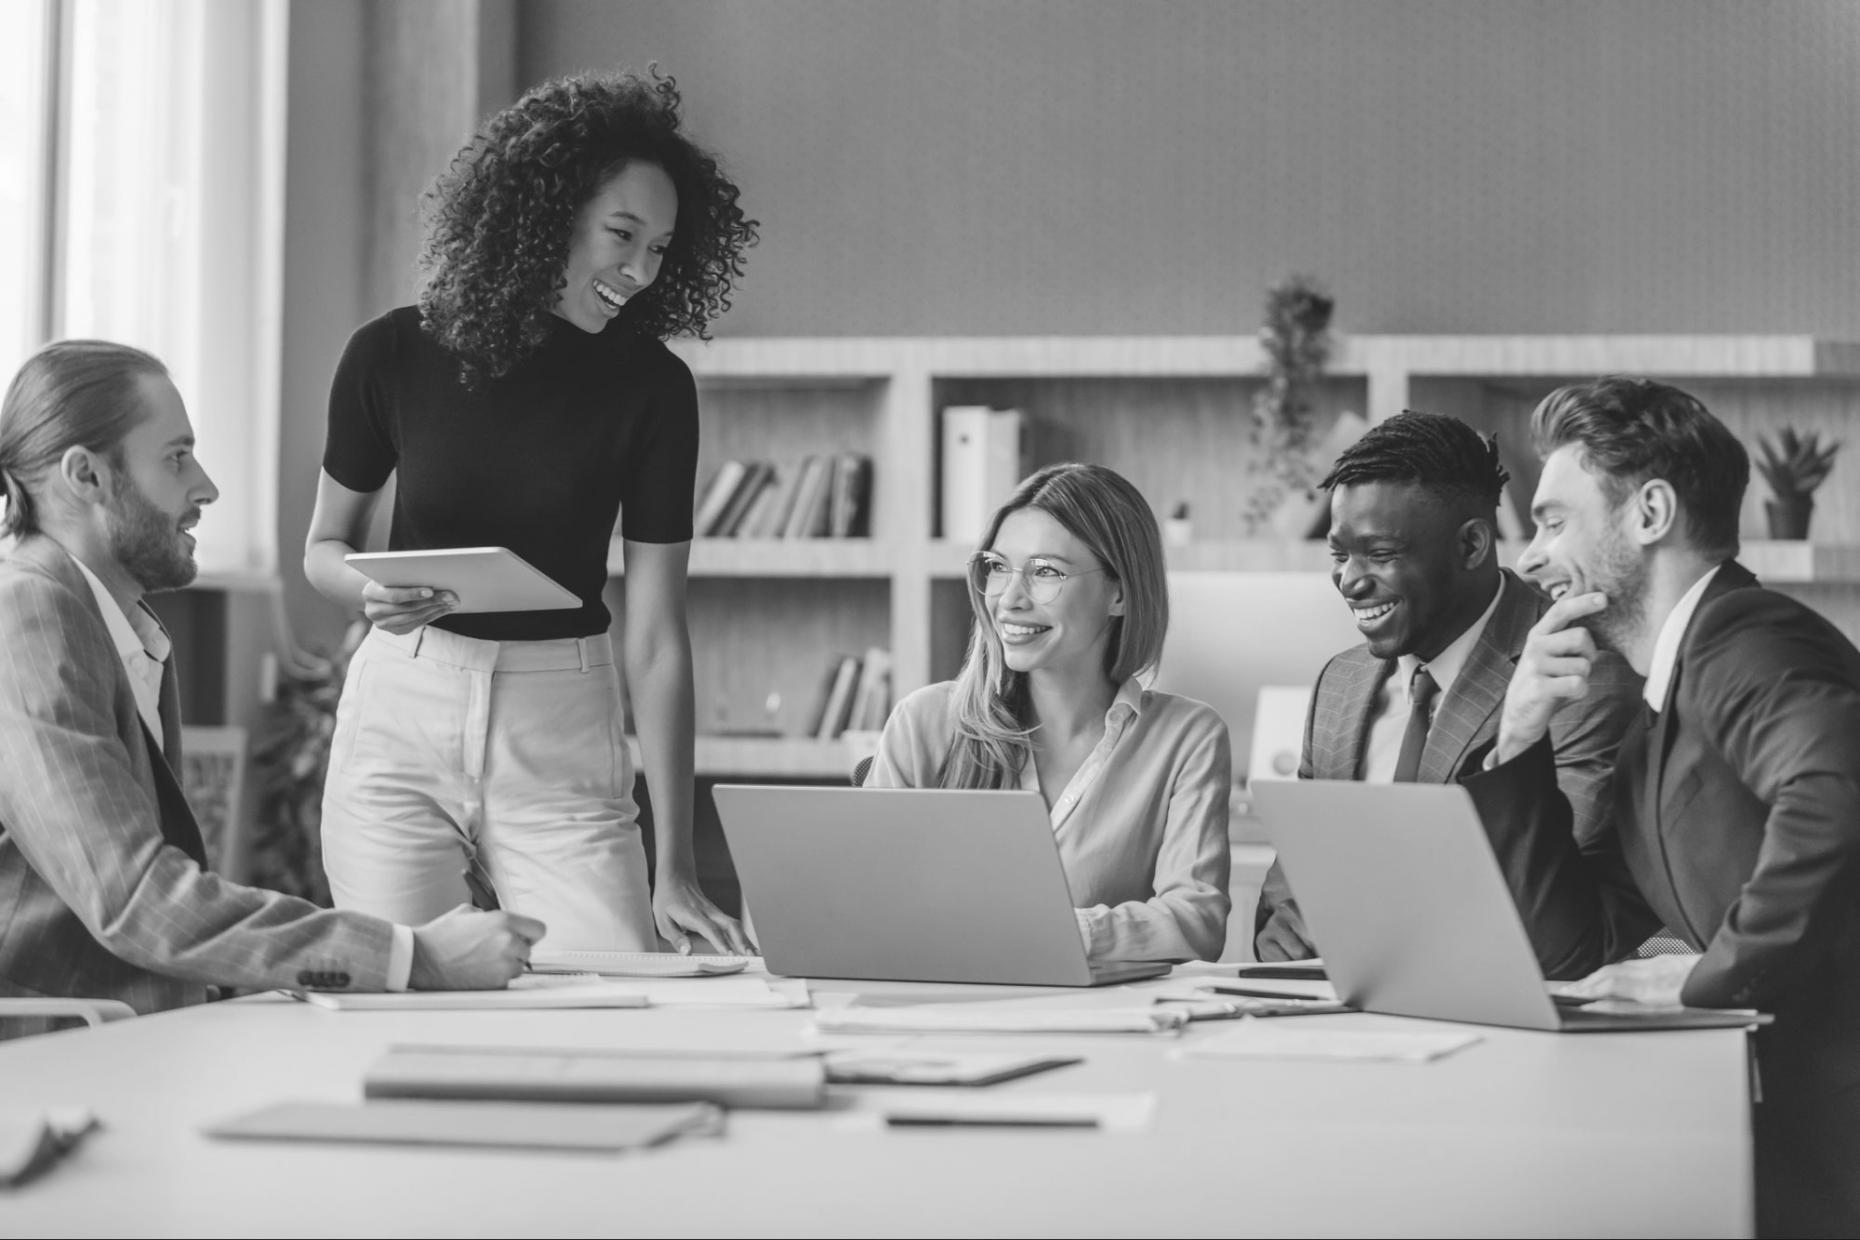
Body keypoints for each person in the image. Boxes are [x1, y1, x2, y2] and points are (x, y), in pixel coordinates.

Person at [303, 70, 756, 955]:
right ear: (543, 212)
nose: (640, 270)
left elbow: (658, 636)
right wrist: (364, 597)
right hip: (403, 704)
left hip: (562, 719)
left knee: (610, 989)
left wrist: (678, 865)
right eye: (621, 235)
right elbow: (325, 546)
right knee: (406, 996)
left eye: (662, 248)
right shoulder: (391, 352)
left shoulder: (654, 388)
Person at [0, 341, 541, 1036]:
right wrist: (413, 955)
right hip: (52, 1053)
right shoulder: (30, 618)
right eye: (175, 457)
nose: (207, 487)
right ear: (87, 476)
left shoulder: (110, 623)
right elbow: (135, 899)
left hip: (132, 1026)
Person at [1464, 376, 1860, 1237]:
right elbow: (1576, 947)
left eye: (1554, 520)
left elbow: (1837, 792)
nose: (1528, 557)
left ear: (1649, 513)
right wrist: (1520, 736)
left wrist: (1712, 974)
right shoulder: (1656, 719)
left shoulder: (1747, 636)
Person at [1253, 411, 1645, 974]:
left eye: (1381, 554)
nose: (1349, 580)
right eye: (1339, 555)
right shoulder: (1339, 681)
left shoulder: (1576, 671)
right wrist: (1284, 934)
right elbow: (1288, 889)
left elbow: (1554, 902)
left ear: (1471, 545)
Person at [868, 463, 1231, 963]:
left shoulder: (1186, 736)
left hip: (1104, 1029)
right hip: (940, 1020)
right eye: (997, 566)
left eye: (1045, 572)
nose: (1009, 599)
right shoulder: (924, 723)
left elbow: (1196, 922)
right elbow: (868, 907)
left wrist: (1044, 932)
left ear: (1119, 593)